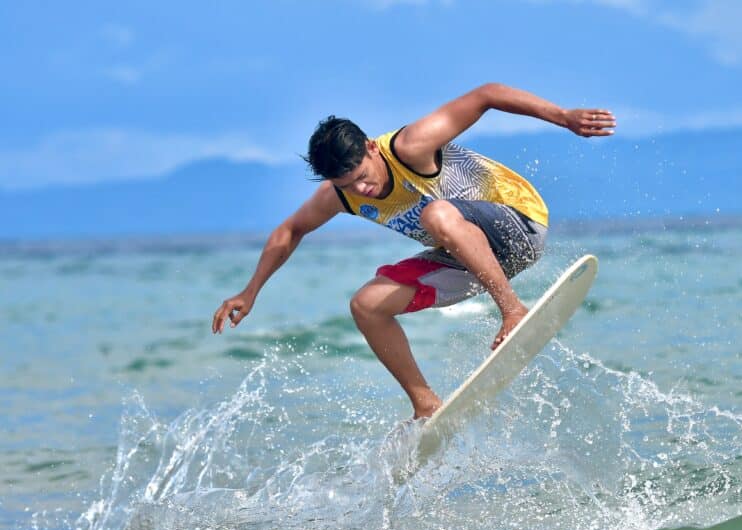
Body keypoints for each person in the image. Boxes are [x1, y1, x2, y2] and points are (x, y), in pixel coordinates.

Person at [212, 83, 615, 419]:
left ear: (371, 148)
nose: (359, 191)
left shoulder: (411, 147)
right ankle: (425, 403)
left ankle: (512, 310)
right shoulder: (341, 194)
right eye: (345, 186)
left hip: (520, 227)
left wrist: (563, 117)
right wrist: (250, 292)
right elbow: (290, 230)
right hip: (469, 257)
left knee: (437, 214)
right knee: (366, 305)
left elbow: (487, 95)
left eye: (361, 179)